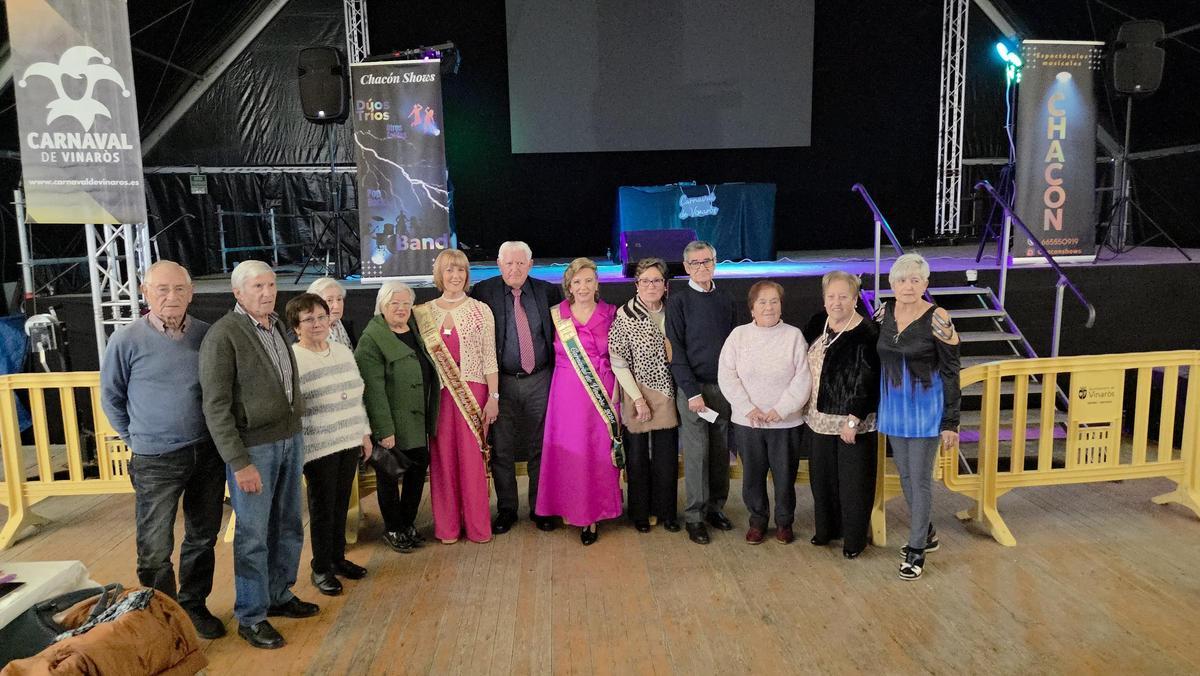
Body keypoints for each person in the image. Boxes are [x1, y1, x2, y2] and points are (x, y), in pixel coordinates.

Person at [99, 260, 226, 640]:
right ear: (145, 293)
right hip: (155, 459)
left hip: (207, 453)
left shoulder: (206, 334)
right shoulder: (126, 340)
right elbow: (111, 397)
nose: (172, 296)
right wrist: (137, 438)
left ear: (191, 293)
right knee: (154, 547)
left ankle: (193, 606)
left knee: (203, 537)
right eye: (162, 289)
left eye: (179, 289)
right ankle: (164, 618)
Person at [200, 259, 317, 650]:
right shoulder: (224, 335)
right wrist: (239, 462)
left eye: (271, 285)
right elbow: (216, 406)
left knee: (288, 525)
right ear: (237, 292)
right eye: (257, 287)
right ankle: (251, 616)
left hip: (289, 440)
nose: (267, 293)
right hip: (253, 449)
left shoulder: (277, 325)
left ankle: (279, 595)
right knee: (253, 536)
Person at [876, 253, 961, 581]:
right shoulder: (883, 312)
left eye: (915, 280)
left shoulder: (938, 317)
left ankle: (916, 549)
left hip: (926, 409)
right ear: (891, 283)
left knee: (920, 478)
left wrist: (950, 422)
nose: (908, 286)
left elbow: (951, 369)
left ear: (925, 284)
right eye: (901, 280)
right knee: (906, 476)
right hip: (894, 408)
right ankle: (927, 532)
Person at [470, 241, 563, 533]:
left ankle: (541, 508)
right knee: (502, 449)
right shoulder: (483, 292)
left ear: (531, 265)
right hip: (502, 382)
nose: (515, 269)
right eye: (509, 263)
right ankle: (507, 509)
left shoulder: (548, 292)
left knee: (541, 447)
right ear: (499, 265)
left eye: (521, 263)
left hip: (540, 379)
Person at [287, 293, 371, 597]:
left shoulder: (342, 351)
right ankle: (320, 567)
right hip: (318, 446)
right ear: (296, 327)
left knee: (341, 503)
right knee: (322, 508)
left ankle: (337, 559)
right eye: (308, 319)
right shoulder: (294, 358)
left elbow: (357, 395)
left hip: (348, 440)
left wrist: (364, 433)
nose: (317, 323)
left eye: (321, 317)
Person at [413, 249, 499, 544]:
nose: (455, 275)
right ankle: (447, 527)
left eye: (461, 270)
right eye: (449, 270)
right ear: (439, 274)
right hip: (439, 397)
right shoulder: (424, 312)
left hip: (473, 393)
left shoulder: (480, 310)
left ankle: (477, 527)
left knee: (473, 461)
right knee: (443, 461)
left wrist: (494, 397)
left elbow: (489, 358)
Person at [718, 281, 811, 545]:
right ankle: (757, 521)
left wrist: (782, 409)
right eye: (762, 302)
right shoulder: (738, 336)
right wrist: (748, 408)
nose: (768, 307)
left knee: (785, 477)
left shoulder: (793, 336)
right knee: (752, 477)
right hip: (748, 422)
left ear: (781, 306)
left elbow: (804, 378)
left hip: (786, 423)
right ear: (752, 309)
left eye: (774, 301)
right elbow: (727, 376)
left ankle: (784, 522)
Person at [536, 258, 622, 545]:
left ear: (597, 284)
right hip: (567, 393)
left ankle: (593, 516)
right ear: (569, 286)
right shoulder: (556, 315)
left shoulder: (611, 313)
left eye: (588, 281)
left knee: (598, 453)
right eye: (577, 282)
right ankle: (569, 508)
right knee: (571, 453)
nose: (583, 287)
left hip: (602, 391)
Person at [801, 271, 881, 559]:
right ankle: (826, 531)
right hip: (818, 418)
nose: (837, 302)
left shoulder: (867, 332)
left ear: (855, 299)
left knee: (854, 484)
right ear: (824, 299)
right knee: (822, 479)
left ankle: (854, 541)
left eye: (843, 296)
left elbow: (869, 380)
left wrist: (853, 419)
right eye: (831, 296)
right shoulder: (817, 323)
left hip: (852, 422)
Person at [355, 281, 438, 553]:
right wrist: (384, 430)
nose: (401, 308)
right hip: (391, 424)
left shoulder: (415, 329)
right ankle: (393, 528)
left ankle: (407, 524)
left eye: (406, 303)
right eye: (394, 303)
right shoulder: (372, 339)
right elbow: (373, 390)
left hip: (417, 422)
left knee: (416, 474)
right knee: (389, 478)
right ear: (382, 306)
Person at [666, 241, 737, 545]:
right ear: (686, 267)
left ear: (715, 263)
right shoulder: (678, 302)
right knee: (697, 454)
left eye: (706, 261)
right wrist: (692, 392)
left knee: (721, 452)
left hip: (723, 388)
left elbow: (735, 345)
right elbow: (676, 351)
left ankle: (715, 508)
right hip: (692, 390)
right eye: (695, 263)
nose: (702, 267)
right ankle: (694, 516)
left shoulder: (727, 299)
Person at [608, 257, 680, 533]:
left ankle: (667, 512)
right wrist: (638, 399)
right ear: (636, 284)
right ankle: (640, 513)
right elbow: (618, 361)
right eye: (645, 281)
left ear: (665, 285)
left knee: (666, 456)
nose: (651, 286)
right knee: (637, 456)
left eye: (657, 280)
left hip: (668, 392)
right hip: (636, 392)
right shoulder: (625, 315)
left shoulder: (674, 311)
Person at [307, 277, 356, 347]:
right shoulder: (308, 333)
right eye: (329, 300)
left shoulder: (346, 325)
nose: (336, 306)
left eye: (339, 299)